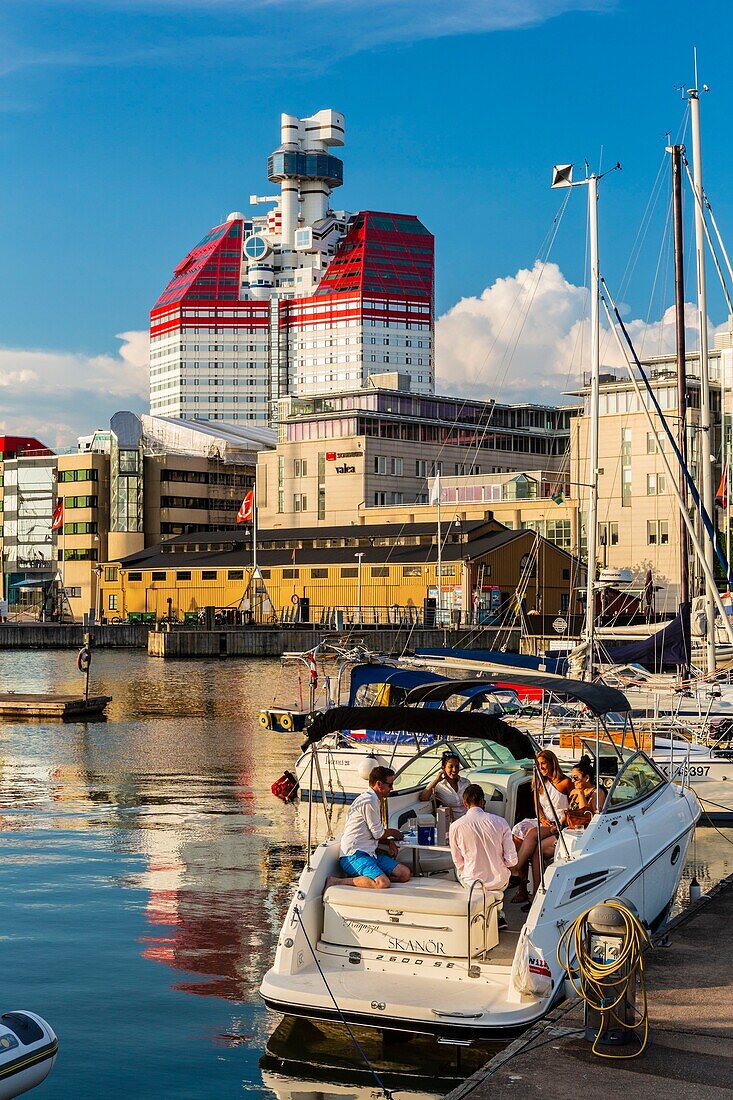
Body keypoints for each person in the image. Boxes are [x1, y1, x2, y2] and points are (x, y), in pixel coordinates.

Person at [327, 766, 411, 891]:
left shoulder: (374, 800)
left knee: (405, 874)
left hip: (370, 854)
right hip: (354, 855)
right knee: (383, 883)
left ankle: (369, 878)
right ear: (379, 784)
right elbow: (378, 833)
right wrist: (394, 833)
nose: (392, 788)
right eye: (390, 785)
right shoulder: (369, 800)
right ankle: (335, 881)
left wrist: (388, 841)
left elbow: (373, 832)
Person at [510, 750, 571, 904]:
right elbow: (538, 806)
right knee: (518, 831)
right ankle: (523, 889)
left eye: (543, 763)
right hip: (544, 820)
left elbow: (573, 806)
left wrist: (561, 822)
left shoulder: (565, 783)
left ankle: (517, 868)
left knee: (531, 834)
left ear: (552, 763)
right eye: (538, 764)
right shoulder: (539, 781)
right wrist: (542, 819)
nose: (541, 767)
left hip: (559, 823)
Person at [449, 783, 518, 896]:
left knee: (458, 871)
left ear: (465, 803)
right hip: (499, 882)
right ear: (482, 802)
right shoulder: (501, 822)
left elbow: (458, 861)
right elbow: (512, 860)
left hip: (472, 883)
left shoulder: (455, 826)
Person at [419, 751, 469, 818]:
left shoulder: (466, 783)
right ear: (443, 768)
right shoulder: (438, 785)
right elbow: (423, 797)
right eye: (450, 767)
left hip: (468, 819)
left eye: (457, 767)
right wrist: (436, 780)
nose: (454, 770)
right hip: (451, 822)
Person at [565, 754, 606, 827]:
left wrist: (580, 793)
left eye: (576, 778)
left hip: (585, 830)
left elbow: (586, 815)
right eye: (572, 777)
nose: (572, 781)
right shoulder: (576, 792)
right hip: (571, 827)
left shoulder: (597, 793)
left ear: (587, 778)